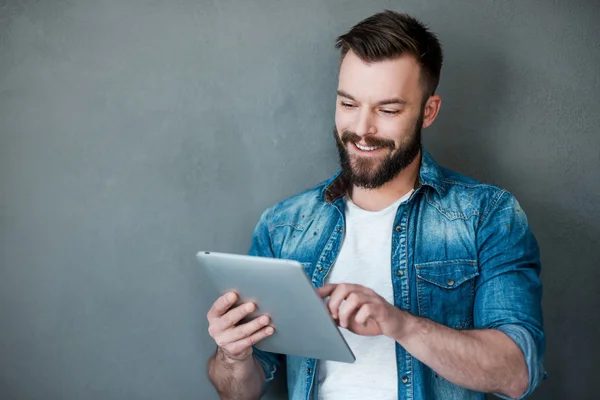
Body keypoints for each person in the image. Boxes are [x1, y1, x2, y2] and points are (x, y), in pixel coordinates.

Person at [206, 10, 546, 400]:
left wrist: (400, 324)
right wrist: (232, 355)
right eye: (349, 104)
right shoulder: (283, 225)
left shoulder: (488, 215)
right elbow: (240, 392)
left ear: (428, 111)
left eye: (387, 110)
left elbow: (517, 372)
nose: (362, 129)